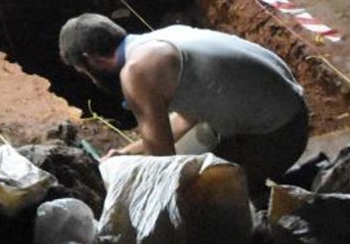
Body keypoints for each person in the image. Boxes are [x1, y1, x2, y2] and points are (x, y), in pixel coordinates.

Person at [57, 14, 308, 185]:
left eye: (84, 72)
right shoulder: (163, 37)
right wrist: (126, 153)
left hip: (278, 136)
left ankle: (257, 203)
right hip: (292, 112)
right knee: (195, 147)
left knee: (206, 193)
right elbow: (188, 117)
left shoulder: (137, 71)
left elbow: (164, 161)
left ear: (92, 60)